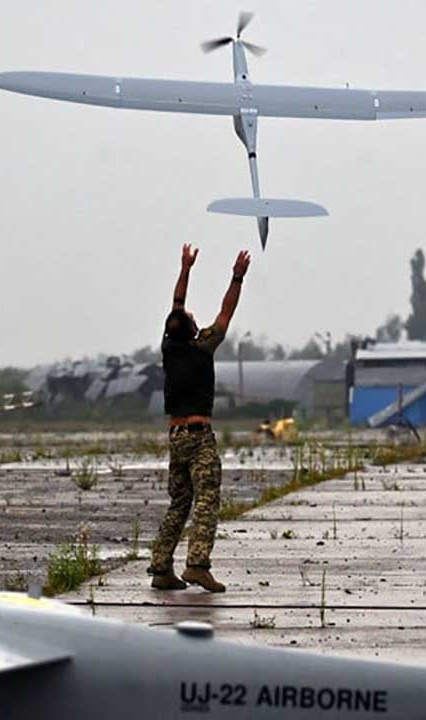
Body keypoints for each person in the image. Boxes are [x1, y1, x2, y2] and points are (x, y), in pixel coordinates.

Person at [148, 243, 250, 593]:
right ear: (192, 329)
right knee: (207, 498)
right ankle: (197, 565)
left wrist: (186, 268)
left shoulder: (168, 347)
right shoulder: (201, 346)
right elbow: (226, 313)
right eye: (191, 316)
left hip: (176, 438)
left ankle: (161, 567)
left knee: (179, 502)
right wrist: (237, 277)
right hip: (198, 435)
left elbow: (176, 305)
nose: (191, 314)